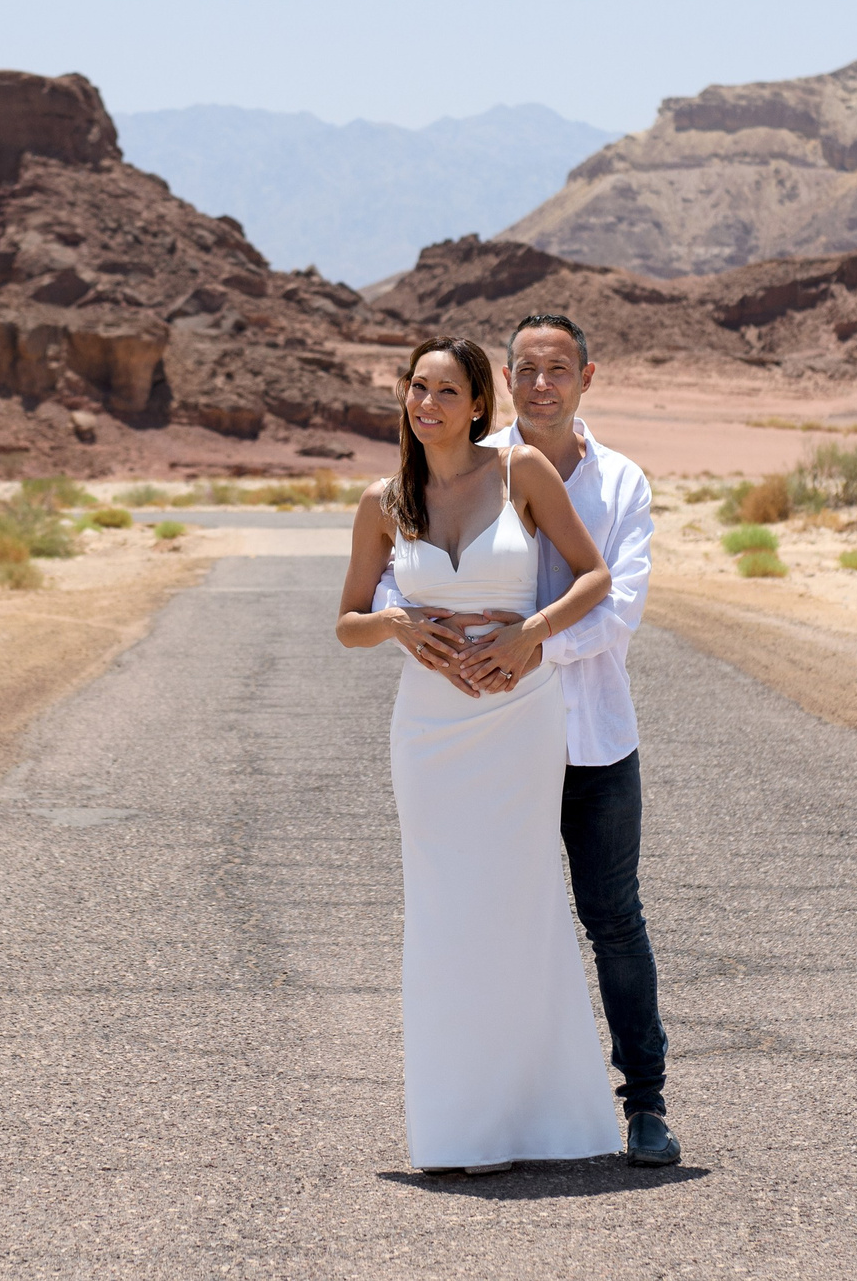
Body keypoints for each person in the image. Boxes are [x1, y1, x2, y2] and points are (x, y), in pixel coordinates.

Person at [375, 312, 680, 1169]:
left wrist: (530, 644)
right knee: (494, 914)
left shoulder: (622, 483)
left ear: (589, 376)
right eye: (526, 371)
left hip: (592, 732)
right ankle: (505, 1107)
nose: (541, 385)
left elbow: (618, 605)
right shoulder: (466, 467)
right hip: (482, 740)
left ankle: (644, 1105)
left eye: (559, 370)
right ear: (503, 382)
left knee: (612, 917)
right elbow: (402, 577)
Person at [336, 335, 619, 1174]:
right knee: (443, 912)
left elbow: (592, 577)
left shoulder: (521, 473)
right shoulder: (383, 501)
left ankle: (542, 1120)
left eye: (446, 391)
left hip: (519, 720)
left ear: (477, 405)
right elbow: (347, 622)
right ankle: (459, 1127)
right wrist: (393, 623)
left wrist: (532, 633)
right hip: (429, 733)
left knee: (517, 901)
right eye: (416, 389)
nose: (427, 405)